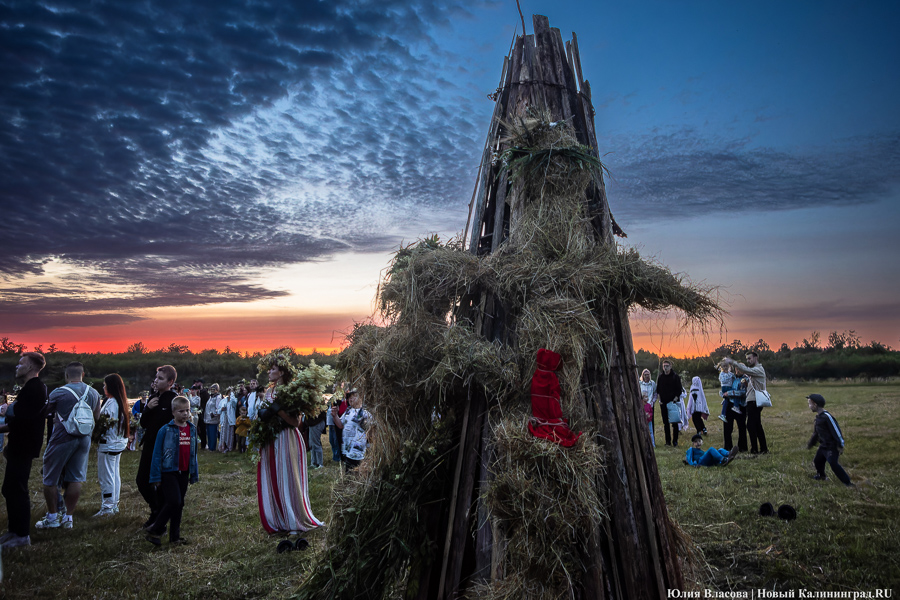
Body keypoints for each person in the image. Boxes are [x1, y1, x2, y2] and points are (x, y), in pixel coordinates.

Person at [257, 357, 323, 533]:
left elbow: (296, 422)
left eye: (273, 369)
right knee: (273, 476)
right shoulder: (269, 392)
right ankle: (277, 518)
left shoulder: (292, 392)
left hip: (286, 438)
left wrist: (279, 411)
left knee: (287, 477)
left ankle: (293, 518)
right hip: (270, 438)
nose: (269, 372)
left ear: (282, 372)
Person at [36, 362, 102, 531]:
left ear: (66, 375)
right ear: (83, 374)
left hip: (62, 438)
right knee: (75, 478)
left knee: (50, 477)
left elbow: (43, 412)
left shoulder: (59, 392)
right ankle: (68, 518)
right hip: (84, 439)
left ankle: (52, 517)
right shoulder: (94, 393)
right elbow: (96, 417)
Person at [0, 353, 48, 549]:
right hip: (19, 445)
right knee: (9, 488)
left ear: (30, 368)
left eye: (21, 363)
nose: (17, 366)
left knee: (17, 488)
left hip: (24, 446)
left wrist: (8, 410)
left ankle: (22, 536)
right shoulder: (31, 388)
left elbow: (23, 417)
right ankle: (13, 531)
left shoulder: (35, 389)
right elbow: (19, 420)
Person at [145, 396, 199, 546]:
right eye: (181, 411)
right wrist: (155, 476)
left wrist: (194, 473)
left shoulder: (192, 429)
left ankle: (175, 537)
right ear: (173, 412)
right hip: (169, 472)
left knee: (179, 504)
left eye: (187, 410)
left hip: (184, 471)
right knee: (174, 501)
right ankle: (155, 528)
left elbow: (193, 453)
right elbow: (157, 454)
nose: (185, 414)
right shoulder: (165, 430)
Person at [136, 365, 178, 529]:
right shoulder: (153, 398)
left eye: (160, 378)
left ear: (170, 382)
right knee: (142, 480)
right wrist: (147, 408)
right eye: (156, 377)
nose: (156, 381)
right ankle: (155, 509)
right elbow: (143, 423)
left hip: (164, 448)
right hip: (149, 445)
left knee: (160, 484)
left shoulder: (173, 400)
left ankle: (159, 518)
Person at [95, 374, 130, 516]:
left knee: (106, 476)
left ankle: (108, 507)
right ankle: (114, 504)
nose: (104, 388)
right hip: (117, 443)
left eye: (105, 385)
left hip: (109, 444)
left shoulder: (112, 403)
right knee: (114, 474)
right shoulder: (120, 402)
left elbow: (104, 423)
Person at [723, 352, 768, 454]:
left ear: (756, 358)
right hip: (752, 401)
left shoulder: (758, 369)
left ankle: (754, 450)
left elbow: (746, 370)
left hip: (754, 401)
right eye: (747, 359)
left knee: (750, 425)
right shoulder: (755, 371)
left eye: (749, 358)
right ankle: (763, 449)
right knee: (757, 425)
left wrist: (732, 362)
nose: (748, 360)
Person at [806, 394, 852, 486]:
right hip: (823, 445)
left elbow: (836, 431)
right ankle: (821, 476)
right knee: (817, 461)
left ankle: (847, 483)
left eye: (810, 404)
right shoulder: (818, 418)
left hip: (832, 446)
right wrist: (811, 443)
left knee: (833, 463)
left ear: (815, 405)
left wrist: (840, 445)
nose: (809, 406)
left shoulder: (827, 417)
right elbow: (816, 433)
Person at [332, 389, 372, 472]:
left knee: (356, 473)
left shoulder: (365, 413)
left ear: (361, 398)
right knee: (348, 472)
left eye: (354, 396)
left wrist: (369, 448)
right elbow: (340, 425)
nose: (350, 399)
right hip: (347, 450)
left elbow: (371, 432)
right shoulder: (348, 411)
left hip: (358, 452)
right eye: (349, 397)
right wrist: (335, 416)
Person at [655, 361, 684, 446]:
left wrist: (675, 399)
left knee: (674, 422)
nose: (665, 368)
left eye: (667, 366)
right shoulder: (660, 377)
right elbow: (658, 390)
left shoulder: (675, 376)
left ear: (670, 366)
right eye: (664, 366)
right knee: (665, 423)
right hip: (663, 403)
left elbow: (679, 390)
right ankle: (668, 441)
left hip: (673, 403)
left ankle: (675, 441)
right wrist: (660, 400)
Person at [307, 402, 327, 470]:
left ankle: (320, 464)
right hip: (313, 423)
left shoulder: (315, 401)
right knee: (312, 444)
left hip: (316, 422)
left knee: (316, 443)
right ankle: (314, 462)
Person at [204, 384, 222, 451]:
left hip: (213, 418)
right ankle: (210, 446)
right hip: (208, 418)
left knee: (213, 433)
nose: (212, 390)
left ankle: (212, 447)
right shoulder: (211, 397)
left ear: (217, 390)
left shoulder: (218, 397)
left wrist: (214, 414)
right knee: (208, 434)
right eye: (211, 389)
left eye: (213, 389)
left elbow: (218, 407)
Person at [219, 387, 236, 452]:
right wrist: (221, 409)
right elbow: (218, 410)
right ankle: (223, 447)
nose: (230, 394)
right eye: (229, 392)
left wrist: (232, 395)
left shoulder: (234, 400)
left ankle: (229, 447)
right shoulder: (223, 400)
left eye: (231, 392)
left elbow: (234, 402)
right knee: (223, 434)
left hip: (230, 419)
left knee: (229, 434)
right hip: (224, 418)